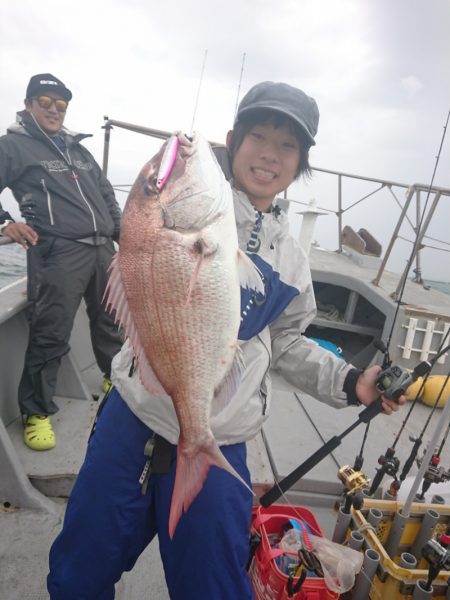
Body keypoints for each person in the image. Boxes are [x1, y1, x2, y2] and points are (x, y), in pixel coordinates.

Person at [47, 81, 406, 599]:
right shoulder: (182, 213)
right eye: (258, 136)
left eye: (288, 146)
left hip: (222, 437)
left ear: (302, 162)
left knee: (213, 588)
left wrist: (353, 382)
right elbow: (138, 267)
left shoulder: (290, 262)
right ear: (233, 141)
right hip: (135, 419)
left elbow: (286, 343)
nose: (269, 154)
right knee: (79, 570)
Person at [0, 73, 123, 451]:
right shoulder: (12, 146)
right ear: (28, 105)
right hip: (58, 251)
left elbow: (105, 194)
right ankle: (36, 411)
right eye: (45, 102)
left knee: (110, 322)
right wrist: (7, 223)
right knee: (50, 333)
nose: (54, 109)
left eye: (61, 104)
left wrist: (123, 235)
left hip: (103, 250)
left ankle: (115, 380)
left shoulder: (78, 149)